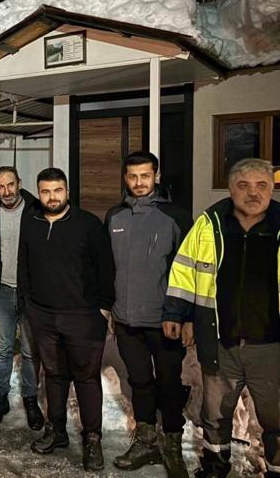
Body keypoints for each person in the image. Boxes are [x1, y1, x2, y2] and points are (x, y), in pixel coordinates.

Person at [163, 158, 280, 478]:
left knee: (277, 417)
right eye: (243, 186)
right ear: (230, 189)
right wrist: (176, 312)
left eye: (261, 185)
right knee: (215, 413)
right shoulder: (208, 224)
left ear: (272, 187)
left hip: (271, 345)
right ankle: (214, 467)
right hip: (219, 339)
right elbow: (184, 271)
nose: (252, 193)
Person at [19, 167, 114, 471]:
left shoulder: (88, 224)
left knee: (86, 378)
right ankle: (57, 430)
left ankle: (92, 438)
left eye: (57, 190)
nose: (52, 197)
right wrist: (28, 304)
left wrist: (103, 306)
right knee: (54, 374)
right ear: (39, 192)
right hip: (43, 315)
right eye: (45, 191)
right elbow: (24, 263)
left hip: (82, 316)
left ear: (67, 192)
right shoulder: (32, 223)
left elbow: (106, 267)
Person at [105, 152, 192, 477]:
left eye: (145, 175)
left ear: (156, 175)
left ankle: (171, 444)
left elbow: (191, 272)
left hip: (164, 321)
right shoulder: (114, 217)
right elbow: (108, 268)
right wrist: (109, 307)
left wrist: (186, 317)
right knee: (139, 382)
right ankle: (146, 439)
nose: (139, 182)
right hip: (127, 320)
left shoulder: (176, 217)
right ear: (125, 178)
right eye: (132, 176)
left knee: (169, 383)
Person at [0, 166, 43, 430]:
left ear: (19, 182)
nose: (6, 191)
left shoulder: (36, 210)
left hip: (31, 292)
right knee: (3, 350)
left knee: (30, 352)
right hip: (3, 291)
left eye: (10, 185)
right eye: (0, 187)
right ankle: (0, 397)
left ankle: (30, 399)